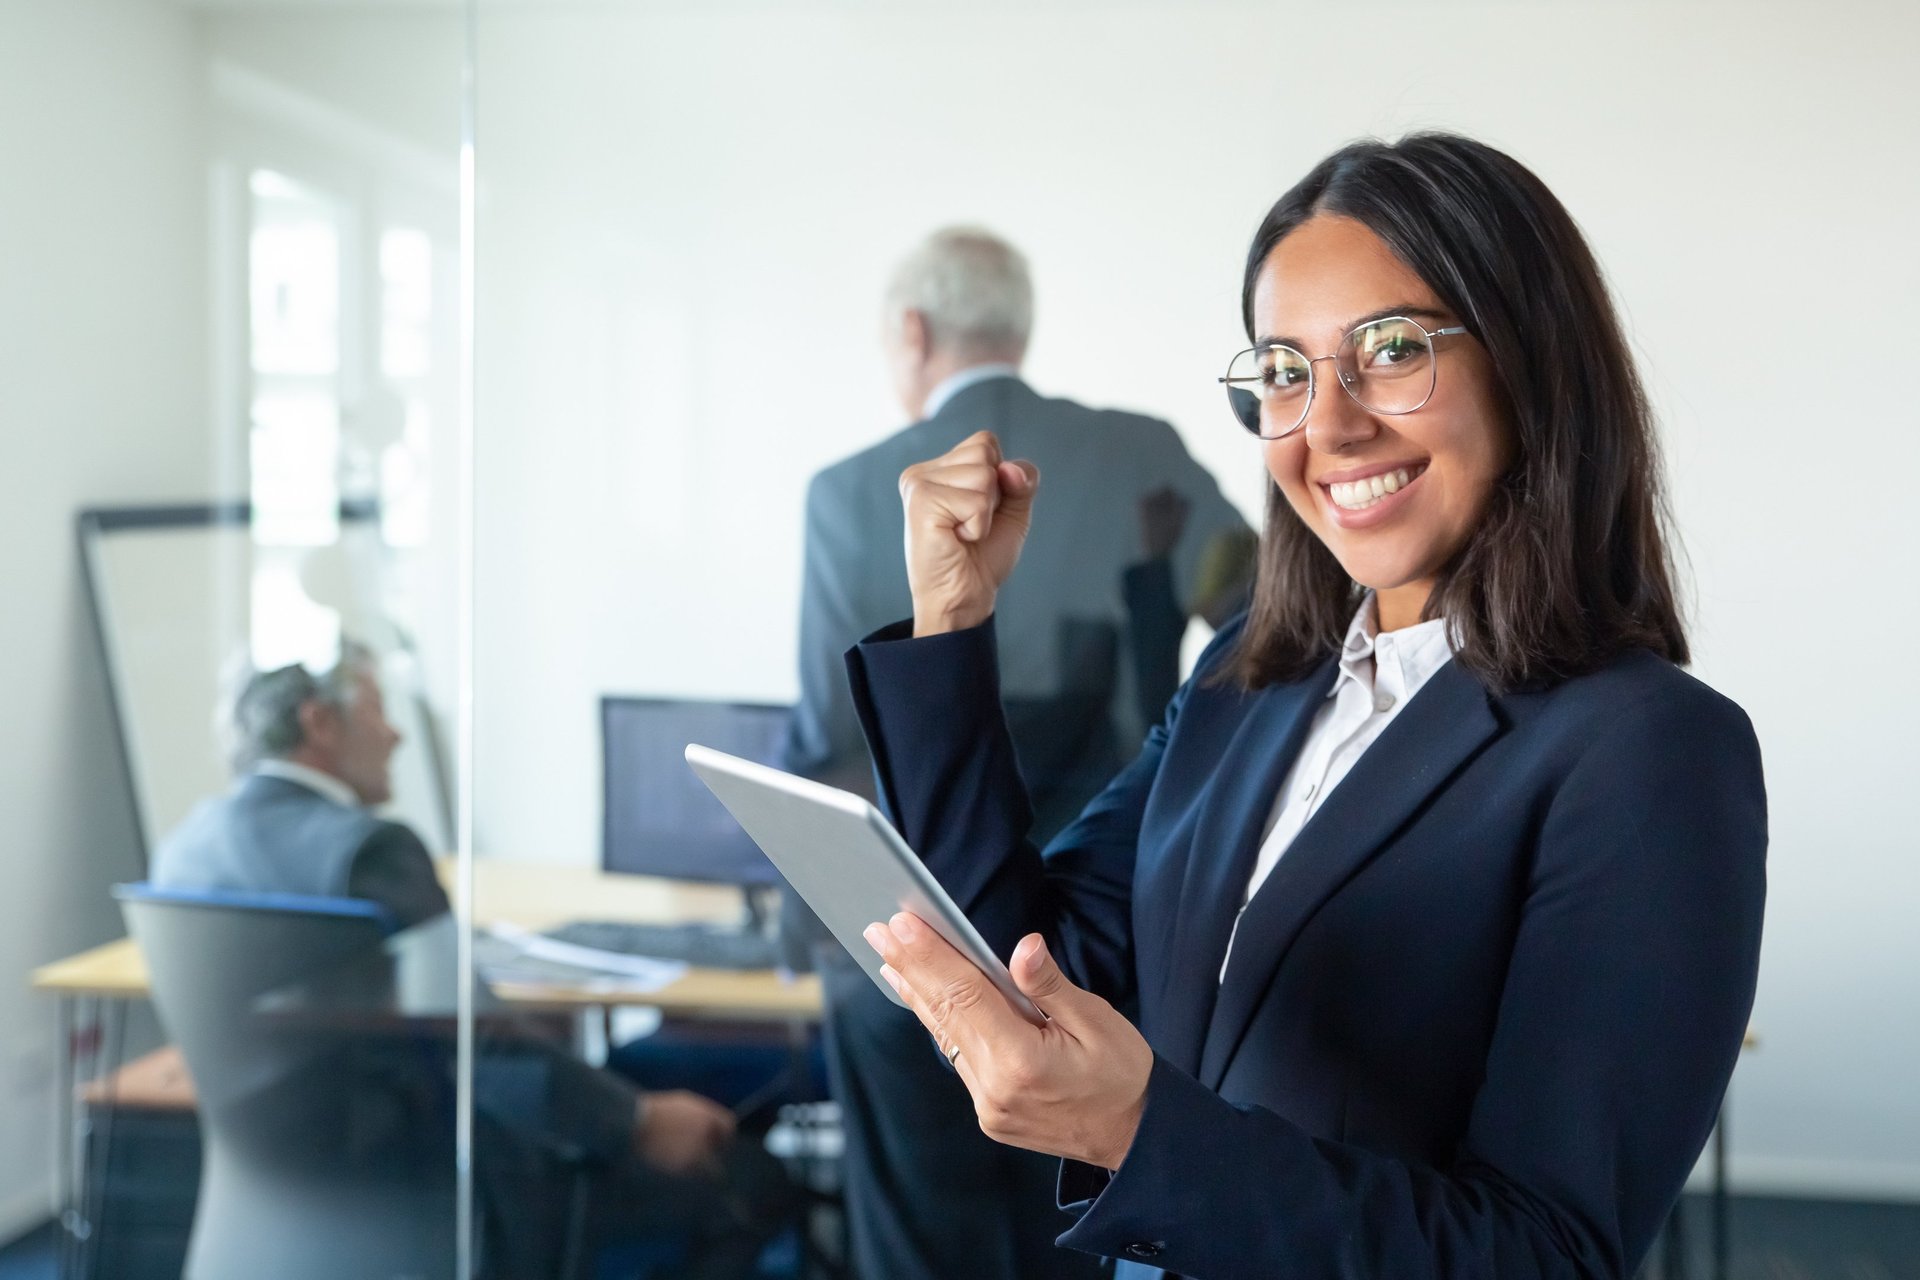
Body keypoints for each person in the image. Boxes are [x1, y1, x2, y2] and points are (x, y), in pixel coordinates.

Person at [851, 133, 1767, 1278]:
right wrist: (950, 623)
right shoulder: (1251, 677)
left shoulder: (1649, 751)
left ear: (1530, 364)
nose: (1328, 424)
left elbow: (1546, 1254)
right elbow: (1027, 958)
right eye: (1284, 369)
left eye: (1390, 351)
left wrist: (1135, 1134)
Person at [781, 227, 1249, 1280]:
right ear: (1017, 326)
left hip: (907, 940)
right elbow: (1268, 633)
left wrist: (799, 936)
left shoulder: (850, 490)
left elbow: (824, 738)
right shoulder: (1145, 453)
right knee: (1086, 1230)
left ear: (911, 332)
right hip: (1108, 940)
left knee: (916, 1242)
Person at [152, 643, 791, 1279]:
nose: (398, 734)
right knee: (751, 1181)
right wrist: (636, 1120)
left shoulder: (186, 849)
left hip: (272, 1193)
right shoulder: (369, 851)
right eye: (377, 712)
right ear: (319, 723)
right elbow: (473, 1037)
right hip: (444, 1189)